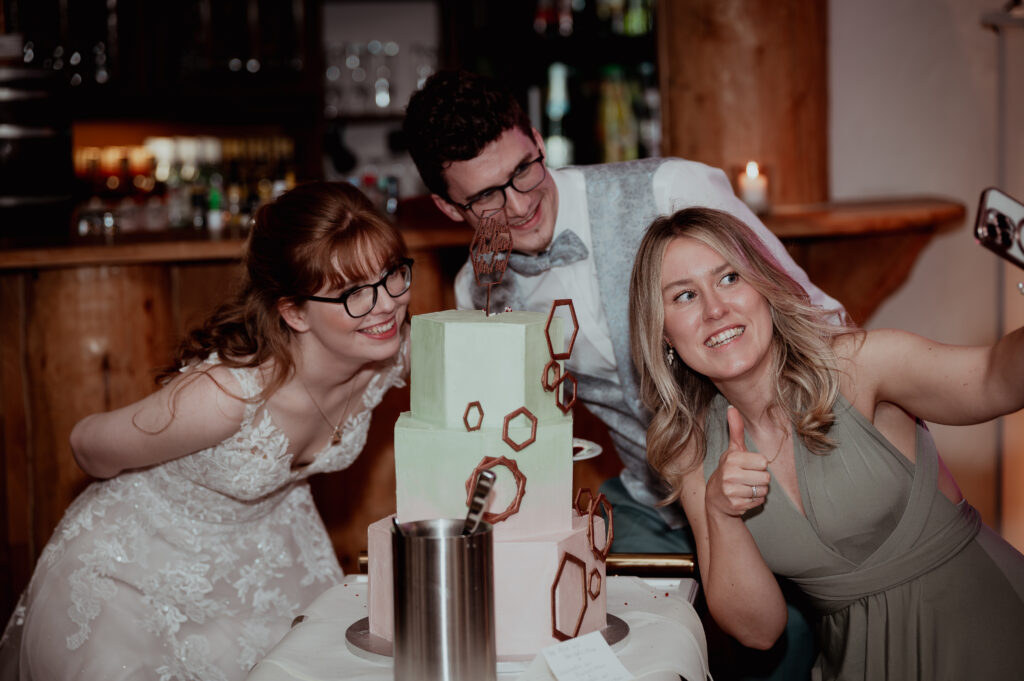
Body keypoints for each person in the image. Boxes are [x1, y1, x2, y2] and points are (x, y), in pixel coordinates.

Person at [402, 68, 840, 680]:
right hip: (655, 497)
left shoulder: (669, 189)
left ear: (536, 136)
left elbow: (816, 315)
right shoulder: (479, 292)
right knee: (591, 637)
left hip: (773, 485)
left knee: (780, 648)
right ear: (449, 208)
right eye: (486, 198)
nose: (521, 203)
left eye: (525, 169)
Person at [0, 182, 413, 680]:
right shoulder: (226, 396)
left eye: (392, 275)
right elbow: (84, 443)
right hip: (138, 575)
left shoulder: (387, 355)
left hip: (264, 558)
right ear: (294, 312)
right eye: (353, 294)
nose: (387, 305)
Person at [628, 206, 1024, 680]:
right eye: (685, 295)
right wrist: (720, 512)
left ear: (764, 288)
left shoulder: (861, 368)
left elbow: (993, 381)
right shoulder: (688, 451)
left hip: (990, 634)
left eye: (730, 278)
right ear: (664, 331)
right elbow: (758, 631)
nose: (715, 309)